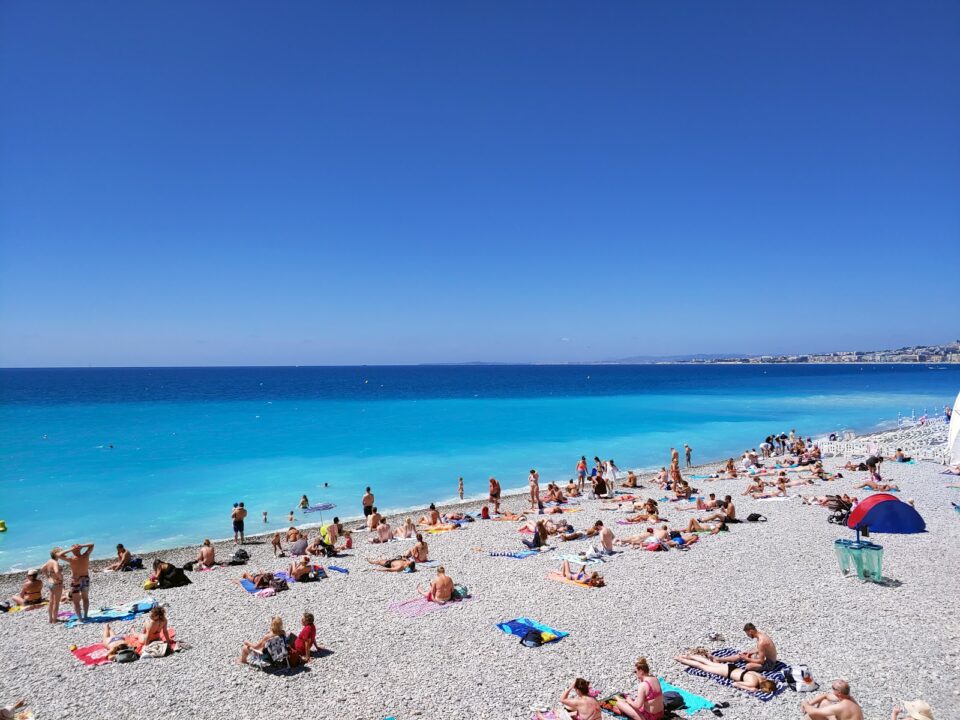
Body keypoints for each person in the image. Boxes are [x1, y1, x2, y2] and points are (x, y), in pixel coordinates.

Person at [674, 654, 777, 694]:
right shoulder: (753, 683)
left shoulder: (761, 677)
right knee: (702, 667)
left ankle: (689, 656)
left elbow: (749, 672)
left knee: (708, 663)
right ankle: (680, 659)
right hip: (727, 672)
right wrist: (750, 689)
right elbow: (735, 684)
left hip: (732, 668)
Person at [57, 543, 94, 621]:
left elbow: (59, 555)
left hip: (76, 581)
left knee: (76, 601)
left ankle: (80, 618)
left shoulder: (71, 559)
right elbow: (92, 545)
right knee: (85, 598)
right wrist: (81, 546)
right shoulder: (85, 555)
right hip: (85, 579)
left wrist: (71, 549)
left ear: (73, 551)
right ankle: (86, 616)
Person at [535, 678, 601, 720]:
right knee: (572, 713)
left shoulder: (579, 701)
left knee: (559, 716)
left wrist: (570, 688)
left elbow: (562, 699)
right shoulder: (593, 698)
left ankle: (543, 718)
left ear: (577, 690)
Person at [40, 549, 64, 624]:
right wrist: (60, 579)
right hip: (56, 584)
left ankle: (50, 619)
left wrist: (47, 576)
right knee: (56, 603)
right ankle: (54, 620)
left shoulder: (49, 561)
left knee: (51, 601)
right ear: (56, 554)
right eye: (60, 552)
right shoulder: (55, 562)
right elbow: (56, 571)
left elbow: (42, 569)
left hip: (50, 582)